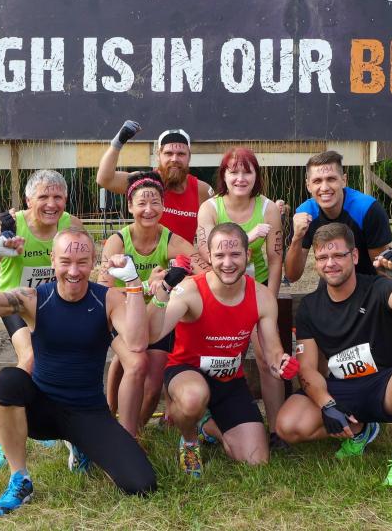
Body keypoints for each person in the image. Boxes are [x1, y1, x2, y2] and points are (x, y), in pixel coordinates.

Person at [0, 227, 157, 516]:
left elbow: (136, 342)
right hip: (41, 410)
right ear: (52, 260)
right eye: (65, 261)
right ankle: (20, 478)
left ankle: (81, 445)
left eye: (82, 262)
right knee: (9, 381)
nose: (73, 271)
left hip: (88, 412)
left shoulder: (108, 299)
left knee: (142, 485)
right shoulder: (33, 298)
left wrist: (133, 282)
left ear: (93, 262)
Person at [275, 223, 392, 490]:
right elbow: (307, 368)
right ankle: (361, 429)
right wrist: (327, 405)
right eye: (322, 257)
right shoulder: (310, 307)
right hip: (342, 388)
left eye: (338, 255)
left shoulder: (378, 288)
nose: (330, 263)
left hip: (385, 384)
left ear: (353, 256)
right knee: (288, 425)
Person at [147, 222, 298, 477]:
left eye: (235, 254)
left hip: (229, 380)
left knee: (256, 459)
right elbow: (152, 334)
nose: (227, 263)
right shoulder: (190, 290)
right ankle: (190, 441)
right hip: (187, 373)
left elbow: (272, 351)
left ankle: (207, 427)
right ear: (209, 256)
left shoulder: (262, 296)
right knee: (193, 398)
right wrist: (164, 290)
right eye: (220, 255)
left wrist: (281, 364)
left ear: (247, 254)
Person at [0, 169, 83, 469]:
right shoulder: (9, 225)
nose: (51, 204)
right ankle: (1, 441)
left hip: (54, 304)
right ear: (28, 200)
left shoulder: (72, 225)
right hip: (14, 304)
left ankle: (51, 425)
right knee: (30, 358)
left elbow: (85, 263)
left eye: (58, 197)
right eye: (44, 197)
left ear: (66, 199)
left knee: (68, 360)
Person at [284, 150, 392, 359]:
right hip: (335, 281)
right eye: (317, 181)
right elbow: (292, 275)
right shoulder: (305, 213)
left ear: (344, 180)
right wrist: (296, 238)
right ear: (308, 185)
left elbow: (382, 266)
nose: (324, 187)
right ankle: (324, 380)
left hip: (373, 281)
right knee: (319, 338)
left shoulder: (367, 208)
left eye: (331, 179)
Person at [99, 171, 206, 436]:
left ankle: (135, 430)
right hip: (123, 315)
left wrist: (178, 277)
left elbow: (205, 272)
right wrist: (146, 286)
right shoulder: (118, 241)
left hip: (156, 315)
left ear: (163, 205)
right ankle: (110, 415)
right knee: (133, 361)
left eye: (155, 202)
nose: (148, 209)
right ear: (130, 206)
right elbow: (104, 292)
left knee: (154, 381)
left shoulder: (170, 240)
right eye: (141, 203)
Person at [196, 147, 288, 449]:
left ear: (256, 176)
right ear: (223, 175)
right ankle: (202, 418)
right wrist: (248, 237)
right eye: (233, 171)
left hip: (256, 290)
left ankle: (277, 430)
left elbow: (275, 260)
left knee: (267, 356)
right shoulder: (210, 208)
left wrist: (268, 301)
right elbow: (207, 253)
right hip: (218, 292)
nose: (240, 178)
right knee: (212, 353)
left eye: (247, 171)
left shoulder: (267, 209)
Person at [97, 121, 214, 243]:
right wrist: (117, 143)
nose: (174, 159)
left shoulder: (202, 190)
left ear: (189, 157)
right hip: (145, 255)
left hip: (183, 254)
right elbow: (104, 179)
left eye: (181, 154)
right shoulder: (144, 181)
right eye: (168, 153)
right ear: (158, 156)